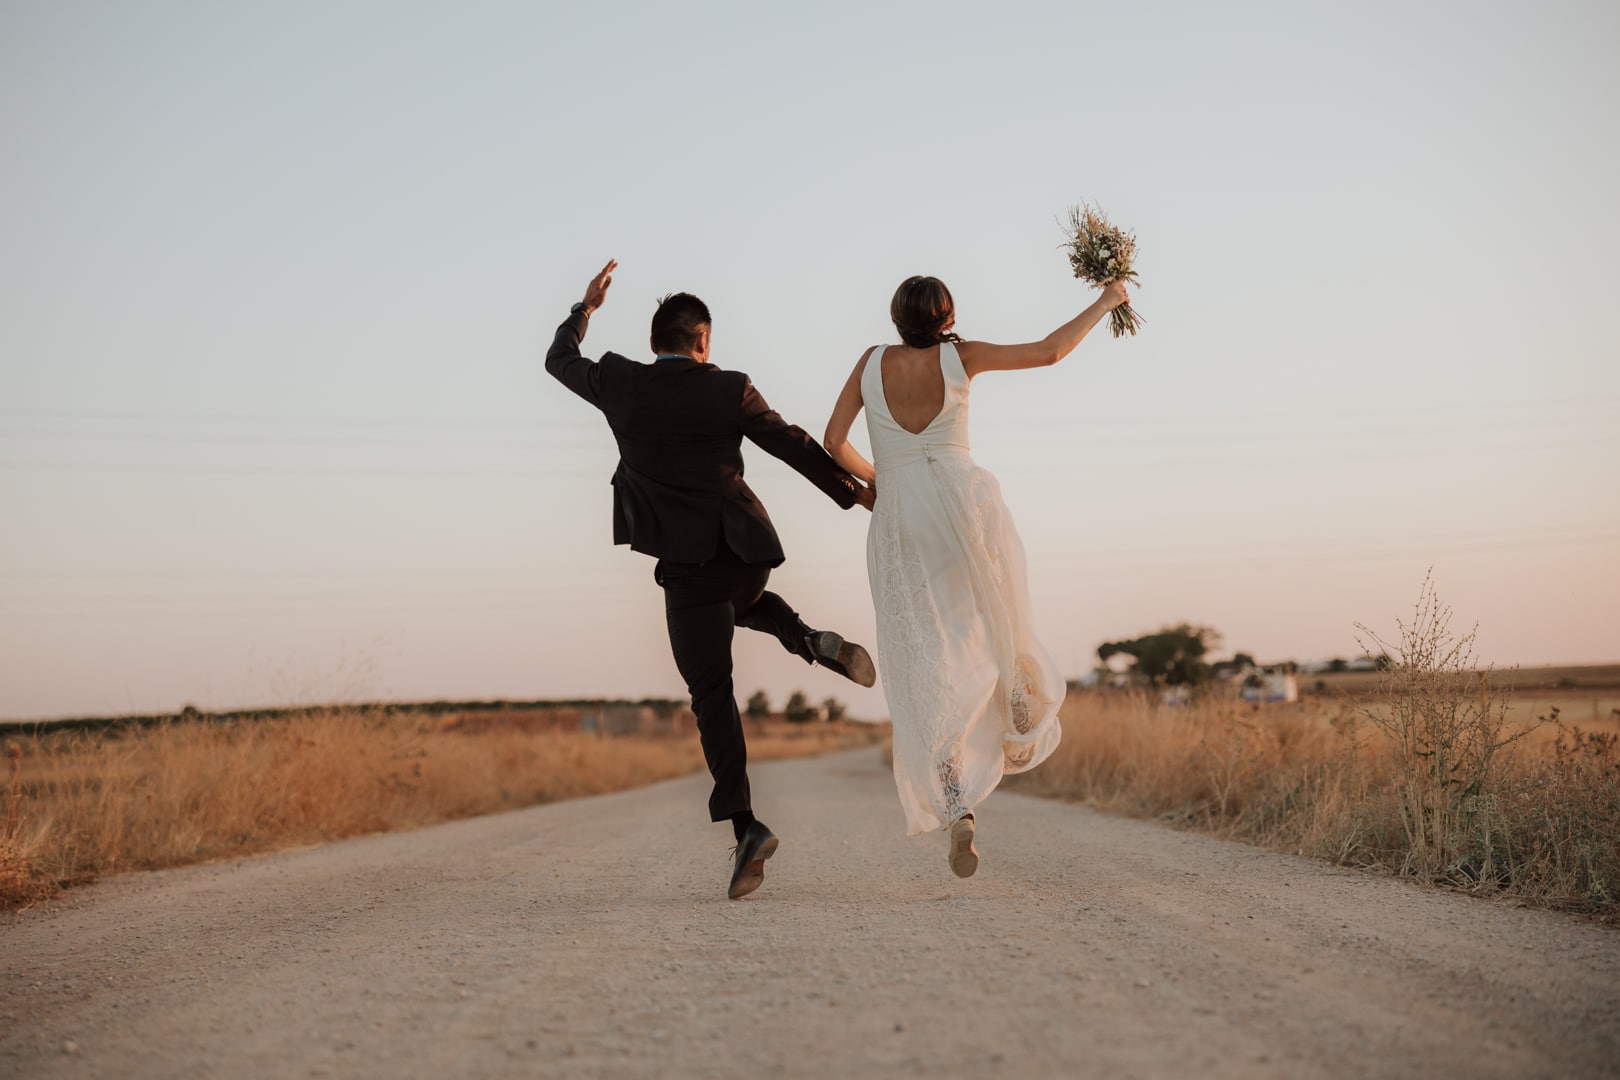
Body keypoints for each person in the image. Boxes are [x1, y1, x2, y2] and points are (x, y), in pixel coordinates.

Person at [546, 260, 877, 900]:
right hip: (747, 552)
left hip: (688, 567)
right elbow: (791, 442)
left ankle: (747, 827)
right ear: (703, 341)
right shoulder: (730, 387)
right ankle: (805, 639)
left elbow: (560, 359)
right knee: (744, 601)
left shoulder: (621, 381)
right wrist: (854, 492)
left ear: (653, 344)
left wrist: (585, 308)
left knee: (712, 696)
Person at [822, 274, 1129, 877]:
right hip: (962, 503)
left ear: (894, 317)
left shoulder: (870, 362)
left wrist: (880, 478)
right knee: (991, 618)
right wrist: (1108, 300)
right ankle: (1015, 692)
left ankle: (954, 800)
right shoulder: (959, 356)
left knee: (925, 655)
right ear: (947, 316)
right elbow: (1048, 351)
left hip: (901, 514)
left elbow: (834, 441)